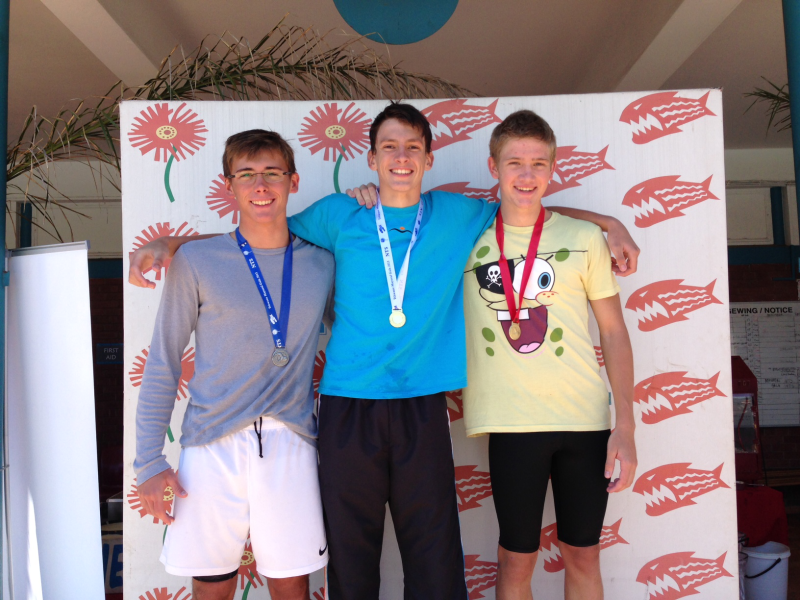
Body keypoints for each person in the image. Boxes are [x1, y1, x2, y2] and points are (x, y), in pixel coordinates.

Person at [129, 102, 639, 600]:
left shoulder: (458, 214)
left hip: (422, 404)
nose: (401, 157)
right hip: (346, 406)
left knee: (434, 561)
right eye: (389, 147)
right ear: (371, 158)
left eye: (412, 147)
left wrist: (606, 223)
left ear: (429, 159)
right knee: (352, 560)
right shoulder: (340, 213)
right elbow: (260, 230)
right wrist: (172, 243)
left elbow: (526, 208)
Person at [133, 129, 333, 600]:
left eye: (272, 173)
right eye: (246, 175)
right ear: (229, 186)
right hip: (210, 442)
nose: (260, 185)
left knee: (291, 583)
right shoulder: (195, 260)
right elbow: (163, 361)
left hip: (291, 439)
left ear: (293, 181)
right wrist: (148, 462)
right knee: (212, 584)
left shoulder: (323, 263)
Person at [463, 110, 636, 600]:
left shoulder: (583, 239)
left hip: (585, 421)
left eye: (539, 164)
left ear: (553, 169)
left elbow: (614, 332)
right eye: (514, 163)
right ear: (494, 166)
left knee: (583, 554)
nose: (526, 175)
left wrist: (626, 425)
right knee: (516, 560)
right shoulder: (466, 235)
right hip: (511, 421)